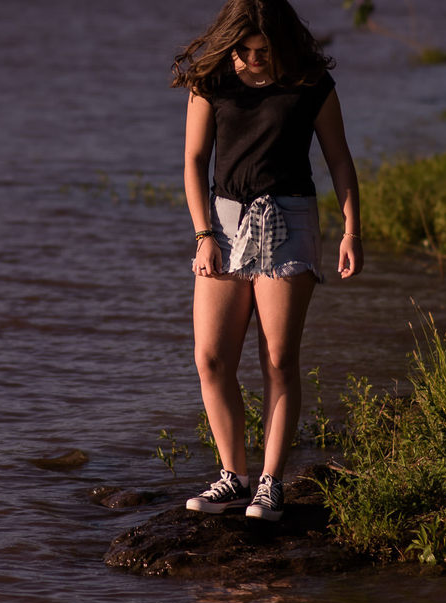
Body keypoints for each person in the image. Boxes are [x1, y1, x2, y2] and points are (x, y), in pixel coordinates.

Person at [171, 0, 363, 522]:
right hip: (225, 225)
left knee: (278, 359)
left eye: (264, 50)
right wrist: (203, 233)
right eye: (245, 50)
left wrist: (351, 230)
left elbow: (339, 157)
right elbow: (193, 161)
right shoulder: (211, 82)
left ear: (282, 41)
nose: (254, 59)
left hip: (290, 220)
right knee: (210, 359)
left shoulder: (309, 83)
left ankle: (270, 485)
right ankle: (232, 476)